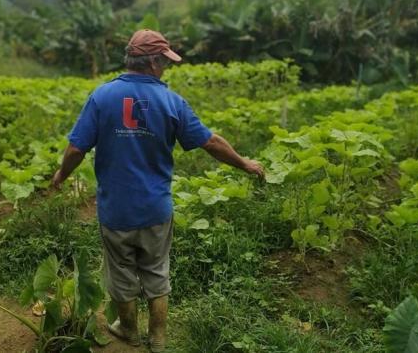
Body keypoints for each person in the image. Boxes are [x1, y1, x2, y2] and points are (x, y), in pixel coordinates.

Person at [52, 29, 264, 352]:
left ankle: (128, 331)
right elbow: (209, 142)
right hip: (155, 209)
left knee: (121, 273)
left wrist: (60, 176)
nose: (166, 66)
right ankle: (159, 339)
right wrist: (245, 163)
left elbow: (76, 150)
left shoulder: (102, 96)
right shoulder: (171, 101)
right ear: (152, 62)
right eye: (164, 61)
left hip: (116, 211)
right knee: (156, 271)